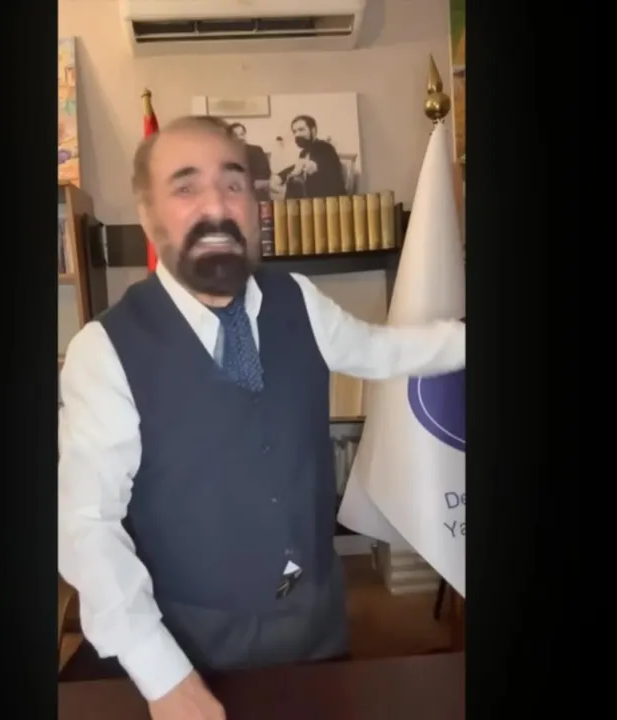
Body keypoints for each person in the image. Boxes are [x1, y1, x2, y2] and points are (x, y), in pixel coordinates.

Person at [57, 115, 465, 720]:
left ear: (255, 206)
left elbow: (383, 350)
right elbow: (86, 525)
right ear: (148, 215)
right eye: (186, 187)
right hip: (192, 644)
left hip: (317, 622)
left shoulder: (299, 298)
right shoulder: (103, 350)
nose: (216, 206)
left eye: (234, 184)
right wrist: (163, 675)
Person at [275, 114, 347, 199]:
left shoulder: (325, 147)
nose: (297, 134)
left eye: (301, 130)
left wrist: (297, 170)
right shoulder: (304, 152)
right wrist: (280, 176)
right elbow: (297, 165)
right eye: (294, 132)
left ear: (313, 130)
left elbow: (314, 165)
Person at [226, 122, 272, 202]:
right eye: (236, 135)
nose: (240, 137)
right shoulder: (226, 154)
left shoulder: (256, 150)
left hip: (255, 190)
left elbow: (265, 173)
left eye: (242, 134)